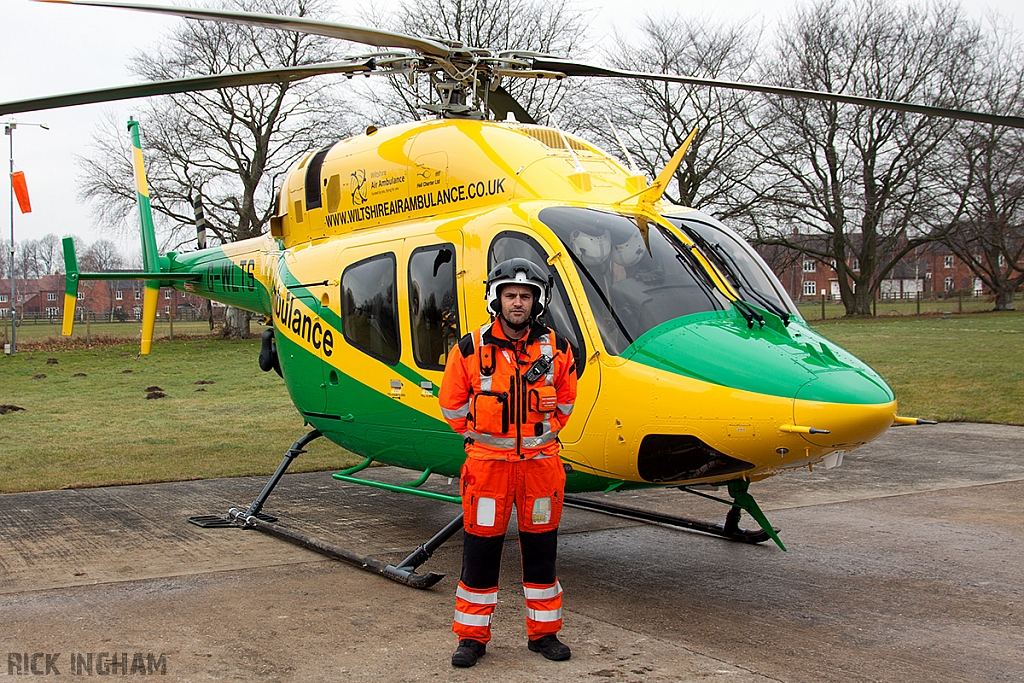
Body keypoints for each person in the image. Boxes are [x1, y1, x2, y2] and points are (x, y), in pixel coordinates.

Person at [438, 258, 578, 668]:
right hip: (487, 469)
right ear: (496, 298)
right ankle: (472, 638)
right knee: (479, 555)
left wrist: (539, 438)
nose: (518, 302)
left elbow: (566, 402)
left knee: (542, 554)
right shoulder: (469, 348)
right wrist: (481, 439)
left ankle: (544, 633)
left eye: (526, 295)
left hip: (540, 468)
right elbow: (451, 405)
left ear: (538, 301)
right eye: (511, 295)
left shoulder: (559, 348)